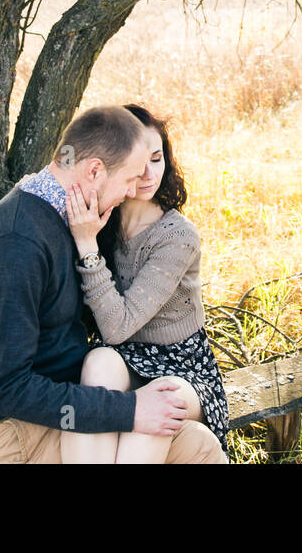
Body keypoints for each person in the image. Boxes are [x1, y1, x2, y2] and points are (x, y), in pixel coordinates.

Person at [0, 104, 227, 464]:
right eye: (128, 180)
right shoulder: (17, 243)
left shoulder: (73, 217)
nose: (131, 192)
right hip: (14, 432)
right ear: (94, 170)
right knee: (161, 430)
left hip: (65, 399)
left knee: (199, 446)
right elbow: (6, 389)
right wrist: (128, 410)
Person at [59, 103, 231, 463]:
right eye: (139, 162)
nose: (148, 172)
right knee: (97, 363)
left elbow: (117, 326)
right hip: (124, 358)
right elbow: (109, 340)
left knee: (157, 407)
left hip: (181, 367)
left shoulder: (177, 236)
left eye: (157, 158)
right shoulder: (99, 219)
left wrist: (87, 245)